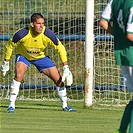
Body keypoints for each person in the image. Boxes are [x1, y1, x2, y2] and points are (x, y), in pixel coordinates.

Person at [1, 13, 77, 113]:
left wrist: (66, 67)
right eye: (38, 23)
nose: (41, 26)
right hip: (24, 56)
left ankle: (65, 105)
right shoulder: (22, 34)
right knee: (18, 75)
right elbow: (9, 45)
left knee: (58, 79)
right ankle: (11, 105)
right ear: (32, 24)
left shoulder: (48, 34)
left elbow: (60, 48)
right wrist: (6, 61)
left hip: (41, 58)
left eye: (43, 23)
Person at [99, 0, 133, 132]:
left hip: (121, 51)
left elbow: (102, 22)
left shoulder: (114, 1)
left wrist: (119, 36)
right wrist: (124, 37)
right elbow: (130, 34)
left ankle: (122, 129)